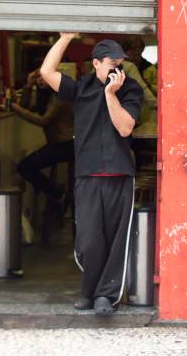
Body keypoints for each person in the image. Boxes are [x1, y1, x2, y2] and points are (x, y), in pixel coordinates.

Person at [40, 33, 143, 316]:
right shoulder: (80, 88)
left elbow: (125, 128)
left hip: (119, 174)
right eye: (112, 63)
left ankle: (105, 296)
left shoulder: (130, 89)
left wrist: (111, 94)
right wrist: (65, 38)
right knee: (88, 238)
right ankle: (89, 290)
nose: (117, 70)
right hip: (87, 173)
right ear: (96, 63)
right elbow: (46, 72)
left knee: (114, 238)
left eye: (121, 64)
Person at [11, 69, 74, 227]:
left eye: (44, 77)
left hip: (68, 145)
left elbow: (43, 121)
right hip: (59, 144)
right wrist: (28, 85)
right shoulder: (47, 96)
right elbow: (26, 105)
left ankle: (58, 194)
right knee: (27, 166)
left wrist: (16, 109)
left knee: (25, 167)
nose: (40, 80)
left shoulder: (61, 96)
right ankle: (57, 193)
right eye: (38, 77)